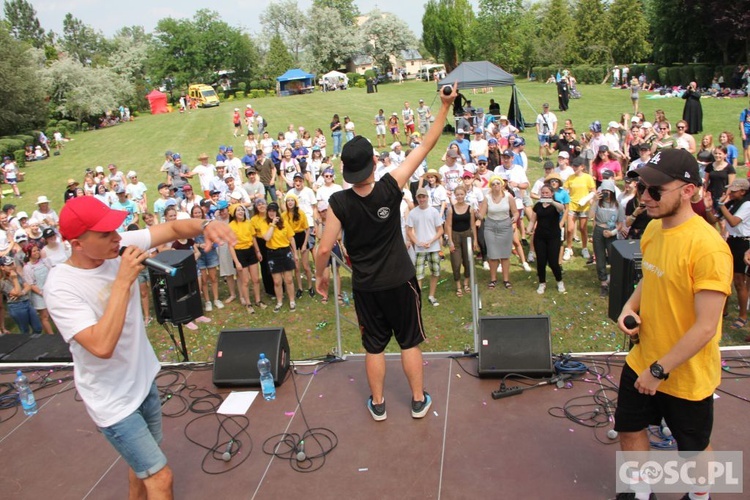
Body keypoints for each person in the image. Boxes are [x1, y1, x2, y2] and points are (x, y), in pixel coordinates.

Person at [44, 196, 235, 499]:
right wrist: (122, 280)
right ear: (77, 244)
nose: (116, 238)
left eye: (115, 230)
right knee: (161, 477)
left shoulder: (115, 244)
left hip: (143, 383)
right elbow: (101, 345)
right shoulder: (61, 286)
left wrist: (206, 224)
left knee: (143, 467)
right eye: (105, 234)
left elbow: (173, 228)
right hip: (113, 402)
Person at [314, 83, 456, 422]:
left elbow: (323, 247)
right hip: (400, 281)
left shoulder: (338, 202)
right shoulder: (391, 186)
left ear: (347, 169)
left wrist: (319, 276)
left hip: (366, 287)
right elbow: (426, 144)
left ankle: (378, 404)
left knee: (373, 346)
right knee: (408, 343)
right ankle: (418, 401)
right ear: (374, 163)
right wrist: (444, 106)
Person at [616, 149, 732, 500]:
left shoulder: (708, 248)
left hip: (685, 374)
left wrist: (658, 370)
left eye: (655, 191)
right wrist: (628, 307)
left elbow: (706, 327)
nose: (645, 197)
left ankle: (699, 496)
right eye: (641, 189)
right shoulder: (653, 230)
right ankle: (639, 490)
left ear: (688, 190)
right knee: (629, 428)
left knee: (693, 449)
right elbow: (650, 278)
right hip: (642, 358)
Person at [407, 188, 444, 307]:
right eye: (419, 197)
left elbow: (440, 230)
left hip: (433, 247)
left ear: (427, 197)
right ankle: (418, 297)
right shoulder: (413, 213)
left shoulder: (433, 212)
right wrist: (417, 242)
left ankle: (431, 295)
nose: (422, 199)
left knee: (435, 272)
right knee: (418, 274)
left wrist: (431, 241)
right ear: (417, 198)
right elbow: (409, 230)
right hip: (420, 248)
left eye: (424, 197)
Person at [526, 184, 566, 294]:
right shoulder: (538, 205)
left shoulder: (555, 205)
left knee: (553, 262)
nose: (544, 194)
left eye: (547, 193)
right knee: (541, 261)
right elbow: (532, 220)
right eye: (543, 193)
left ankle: (559, 281)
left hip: (553, 236)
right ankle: (542, 283)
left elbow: (561, 209)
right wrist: (528, 230)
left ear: (552, 193)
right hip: (540, 236)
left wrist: (551, 201)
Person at [445, 186, 478, 297]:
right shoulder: (451, 209)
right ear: (455, 195)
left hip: (467, 235)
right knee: (456, 262)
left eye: (461, 194)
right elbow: (448, 225)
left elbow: (473, 225)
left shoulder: (470, 209)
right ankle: (458, 285)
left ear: (465, 195)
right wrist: (450, 241)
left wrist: (475, 241)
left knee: (468, 261)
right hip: (455, 236)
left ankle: (466, 283)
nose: (459, 196)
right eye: (457, 194)